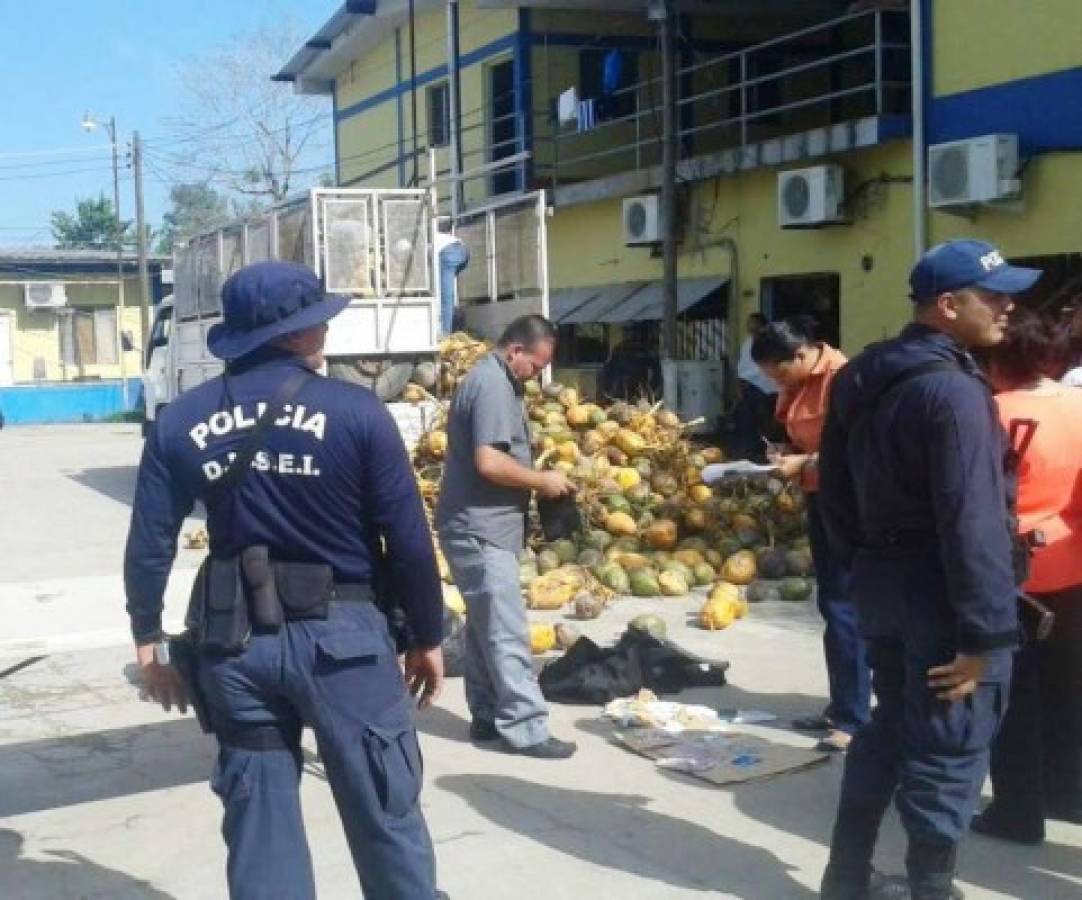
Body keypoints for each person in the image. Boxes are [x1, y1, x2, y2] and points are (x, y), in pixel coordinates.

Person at [124, 261, 446, 900]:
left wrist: (147, 640)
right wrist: (427, 635)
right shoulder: (357, 414)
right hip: (345, 644)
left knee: (259, 818)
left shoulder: (180, 422)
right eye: (317, 319)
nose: (326, 327)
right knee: (384, 809)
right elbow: (408, 541)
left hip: (235, 646)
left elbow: (149, 544)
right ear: (297, 334)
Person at [817, 239, 1042, 900]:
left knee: (888, 729)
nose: (1008, 307)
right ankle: (932, 891)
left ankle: (846, 877)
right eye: (993, 295)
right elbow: (972, 521)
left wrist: (864, 566)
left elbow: (834, 490)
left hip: (884, 585)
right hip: (945, 596)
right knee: (949, 749)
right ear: (948, 305)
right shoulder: (953, 392)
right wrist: (984, 637)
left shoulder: (862, 373)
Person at [436, 314, 579, 758]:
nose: (537, 377)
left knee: (484, 629)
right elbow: (489, 463)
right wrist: (542, 481)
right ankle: (526, 727)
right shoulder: (494, 385)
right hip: (480, 528)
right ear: (515, 351)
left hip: (480, 525)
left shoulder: (494, 379)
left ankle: (487, 715)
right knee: (507, 632)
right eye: (535, 366)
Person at [970, 309, 1082, 844]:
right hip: (1072, 567)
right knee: (1068, 691)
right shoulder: (1079, 405)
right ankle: (1068, 793)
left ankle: (1017, 811)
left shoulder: (987, 412)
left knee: (1011, 698)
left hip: (1006, 573)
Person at [751, 317, 869, 753]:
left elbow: (859, 443)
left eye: (779, 372)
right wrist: (788, 453)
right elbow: (806, 439)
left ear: (802, 354)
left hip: (851, 501)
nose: (777, 382)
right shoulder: (798, 382)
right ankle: (842, 705)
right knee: (831, 603)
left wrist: (806, 462)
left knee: (844, 606)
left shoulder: (845, 379)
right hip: (820, 497)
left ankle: (853, 718)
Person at [734, 312, 781, 461]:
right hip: (749, 386)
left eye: (752, 323)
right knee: (747, 422)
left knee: (767, 422)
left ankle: (769, 452)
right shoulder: (747, 343)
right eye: (748, 323)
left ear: (761, 325)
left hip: (766, 388)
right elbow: (742, 368)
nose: (748, 326)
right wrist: (739, 387)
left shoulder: (771, 341)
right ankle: (750, 453)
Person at [435, 218, 470, 337]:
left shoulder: (423, 241)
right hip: (463, 251)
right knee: (446, 292)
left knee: (445, 296)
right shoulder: (437, 235)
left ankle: (445, 333)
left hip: (448, 253)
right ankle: (449, 324)